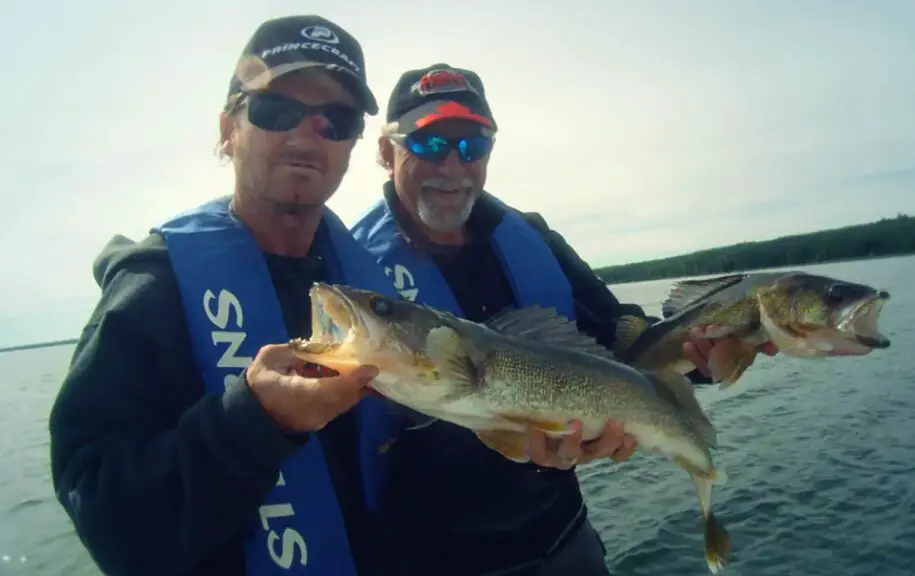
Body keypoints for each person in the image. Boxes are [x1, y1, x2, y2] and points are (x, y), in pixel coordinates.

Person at [351, 64, 778, 576]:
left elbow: (620, 341)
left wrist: (710, 355)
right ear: (384, 151)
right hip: (436, 559)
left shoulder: (530, 238)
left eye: (472, 146)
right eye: (429, 144)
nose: (453, 165)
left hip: (565, 537)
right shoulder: (352, 271)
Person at [48, 15, 403, 576]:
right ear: (227, 129)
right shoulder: (152, 290)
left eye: (336, 119)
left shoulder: (371, 294)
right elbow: (105, 515)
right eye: (275, 110)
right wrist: (257, 421)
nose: (307, 134)